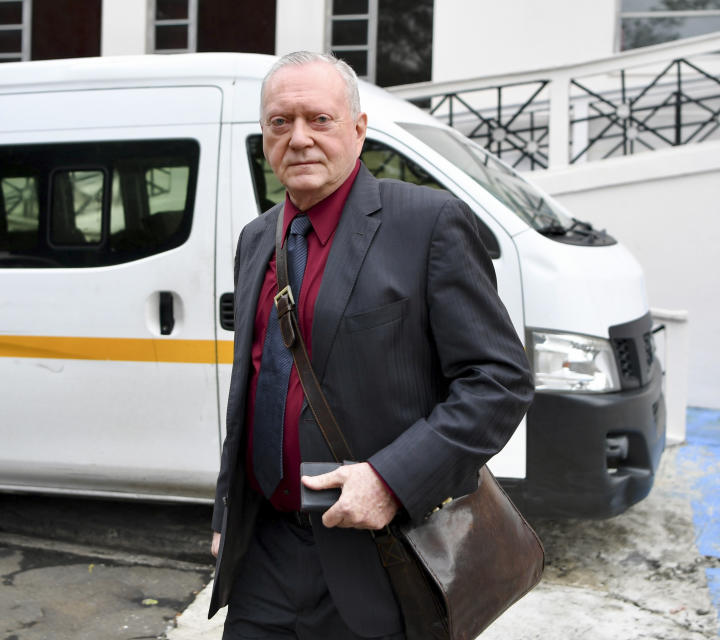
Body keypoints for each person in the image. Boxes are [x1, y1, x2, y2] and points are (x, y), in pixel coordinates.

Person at [209, 51, 534, 639]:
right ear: (264, 137)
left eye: (320, 119)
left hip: (383, 556)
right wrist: (228, 514)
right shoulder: (256, 239)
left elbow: (499, 381)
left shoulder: (427, 224)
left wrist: (390, 479)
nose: (299, 138)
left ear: (358, 130)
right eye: (280, 122)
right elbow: (251, 390)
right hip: (267, 553)